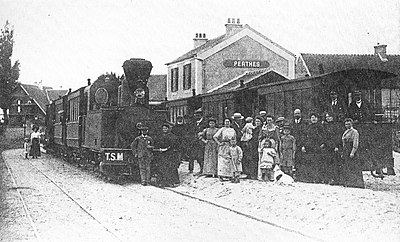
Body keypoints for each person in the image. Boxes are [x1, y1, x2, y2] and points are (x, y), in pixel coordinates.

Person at [300, 113, 326, 183]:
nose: (313, 119)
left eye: (315, 117)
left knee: (318, 162)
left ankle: (318, 178)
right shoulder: (309, 127)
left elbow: (324, 136)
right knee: (310, 162)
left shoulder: (320, 127)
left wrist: (323, 143)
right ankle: (311, 178)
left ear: (317, 118)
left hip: (318, 146)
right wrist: (304, 146)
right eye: (312, 117)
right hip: (310, 146)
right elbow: (305, 137)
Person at [341, 118, 364, 188]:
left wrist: (352, 152)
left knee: (353, 166)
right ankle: (348, 182)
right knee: (347, 166)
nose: (347, 125)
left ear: (351, 124)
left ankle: (356, 183)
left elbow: (355, 143)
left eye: (349, 124)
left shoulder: (354, 132)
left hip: (351, 149)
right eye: (346, 124)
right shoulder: (346, 131)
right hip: (346, 149)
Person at [322, 112, 343, 185]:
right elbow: (324, 136)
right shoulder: (325, 126)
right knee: (328, 163)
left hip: (334, 147)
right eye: (327, 117)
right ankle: (328, 178)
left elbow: (337, 136)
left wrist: (336, 146)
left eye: (329, 117)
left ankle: (336, 179)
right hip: (328, 146)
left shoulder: (336, 125)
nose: (328, 118)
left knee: (335, 163)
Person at [188, 108, 207, 175]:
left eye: (198, 115)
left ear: (201, 116)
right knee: (194, 156)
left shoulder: (205, 123)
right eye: (196, 115)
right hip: (194, 142)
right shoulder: (194, 123)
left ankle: (202, 169)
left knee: (201, 156)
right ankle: (193, 169)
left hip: (201, 142)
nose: (196, 117)